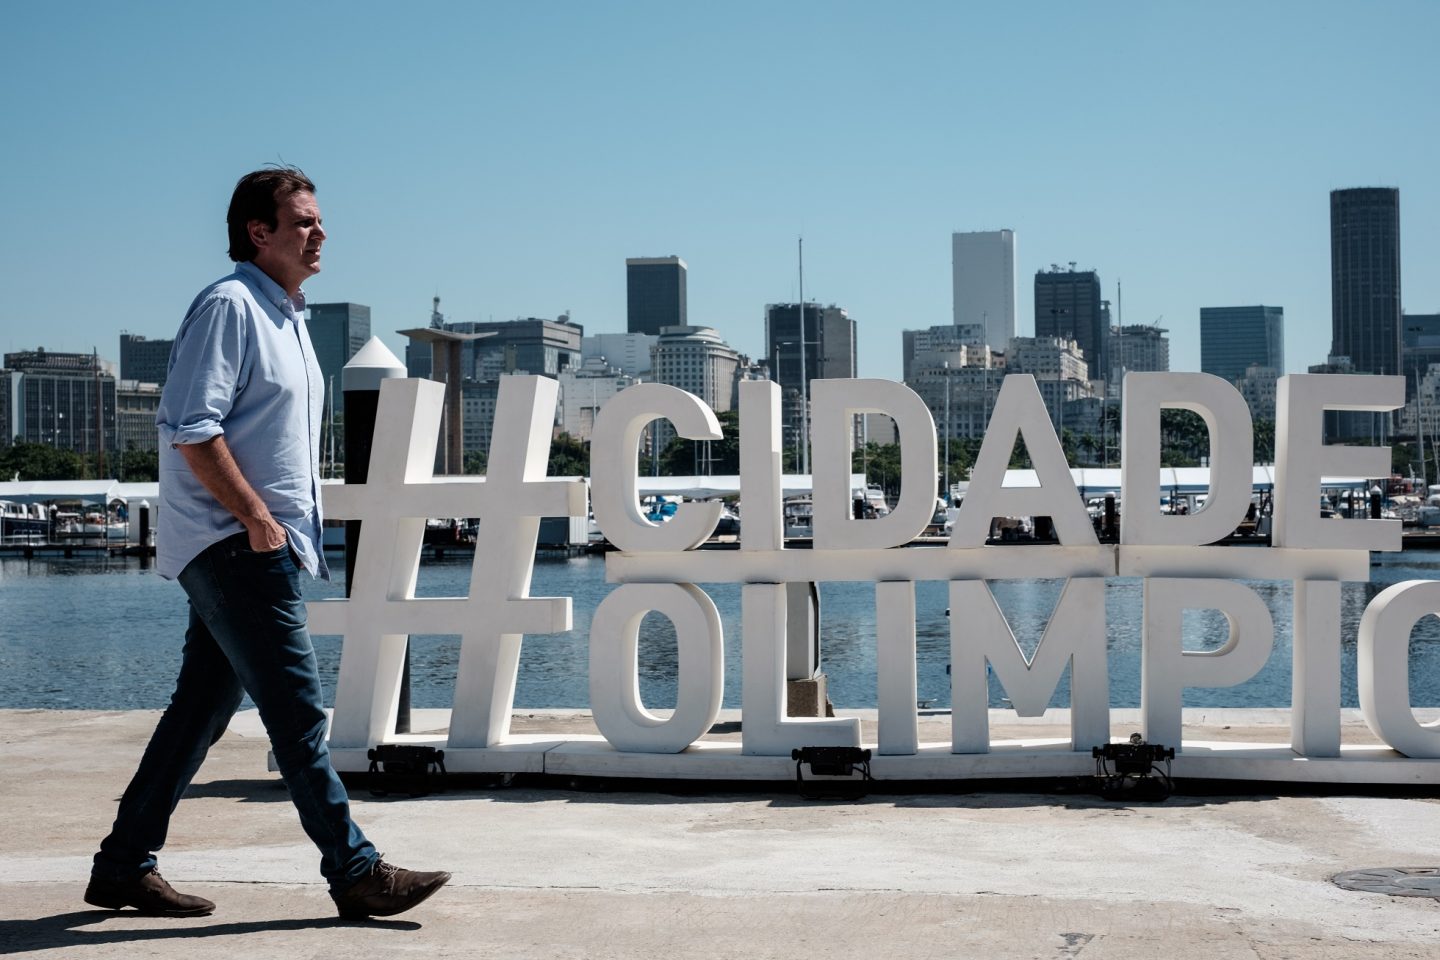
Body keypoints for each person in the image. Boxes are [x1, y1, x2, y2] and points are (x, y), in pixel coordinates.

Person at [86, 167, 449, 920]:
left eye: (319, 222)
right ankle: (355, 870)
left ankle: (122, 865)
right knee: (299, 714)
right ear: (260, 231)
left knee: (200, 712)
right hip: (235, 545)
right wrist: (256, 519)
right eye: (306, 222)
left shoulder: (286, 316)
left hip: (255, 544)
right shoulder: (230, 307)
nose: (321, 234)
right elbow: (191, 427)